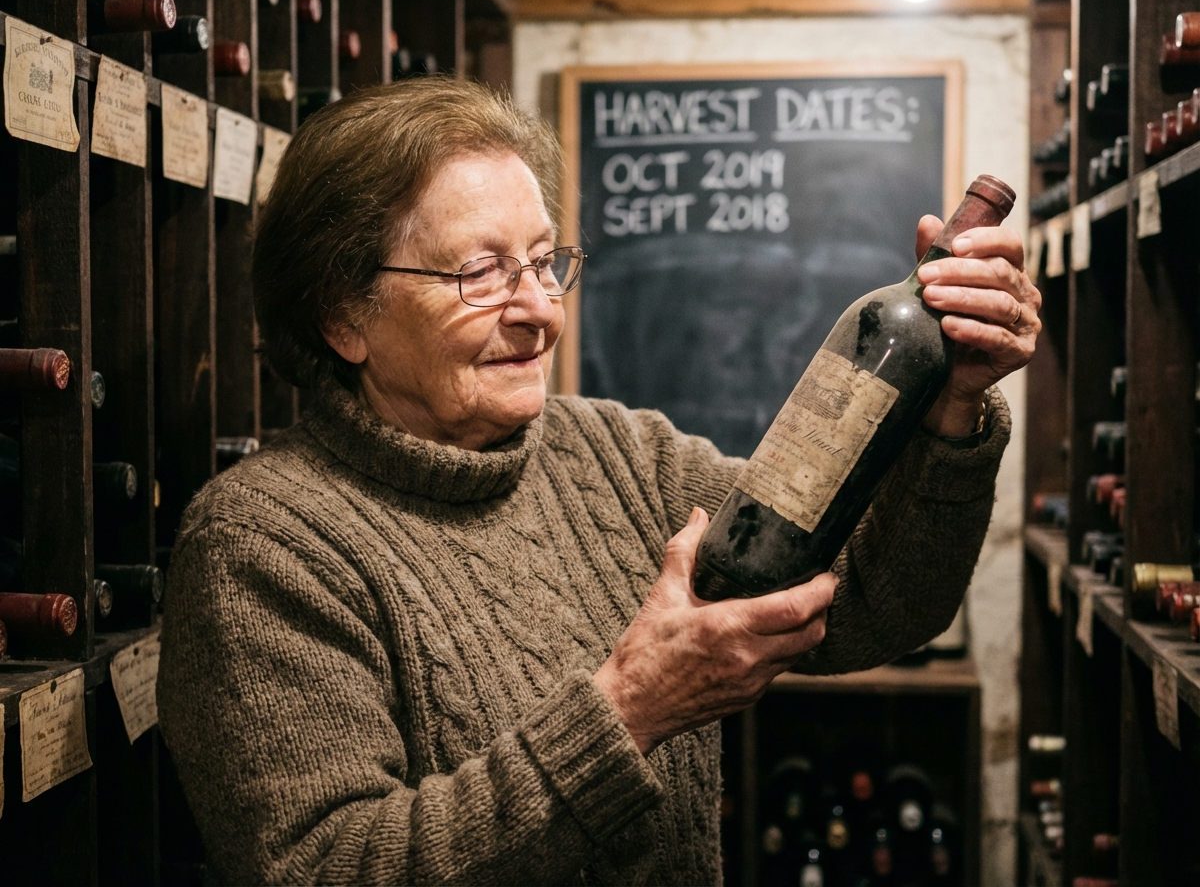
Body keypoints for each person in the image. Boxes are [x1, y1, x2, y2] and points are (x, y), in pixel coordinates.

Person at [158, 76, 1039, 886]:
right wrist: (626, 714)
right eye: (480, 272)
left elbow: (867, 609)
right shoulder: (261, 545)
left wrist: (951, 410)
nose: (541, 310)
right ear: (343, 315)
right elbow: (321, 869)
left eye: (545, 262)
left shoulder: (619, 456)